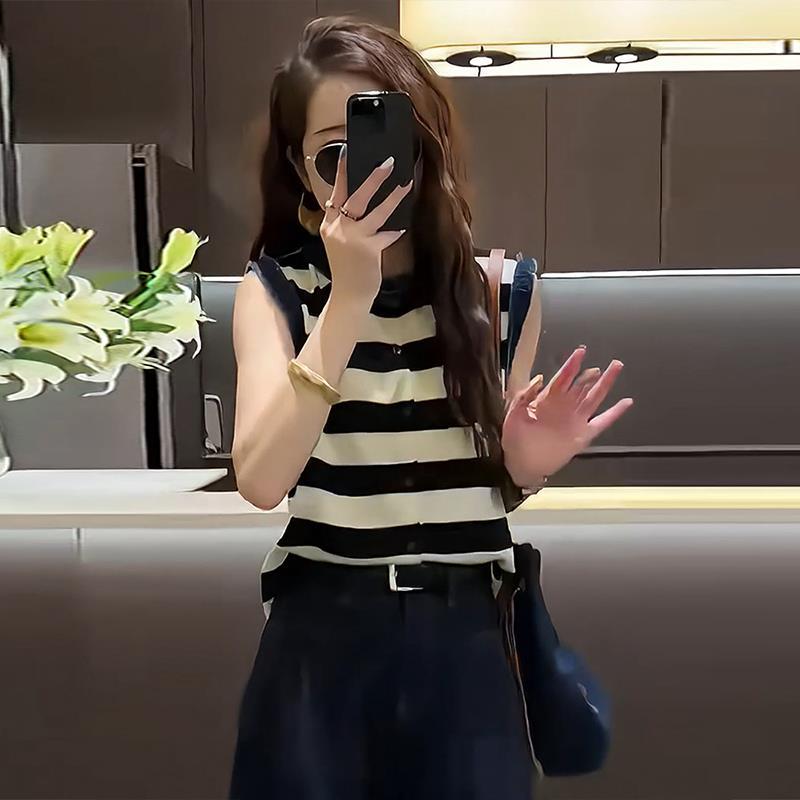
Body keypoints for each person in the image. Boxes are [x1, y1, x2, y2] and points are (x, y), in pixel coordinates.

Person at [229, 16, 633, 800]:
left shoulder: (501, 292)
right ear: (301, 170)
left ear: (426, 145)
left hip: (468, 640)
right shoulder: (276, 291)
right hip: (320, 634)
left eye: (385, 142)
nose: (362, 173)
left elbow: (484, 491)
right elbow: (262, 479)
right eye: (334, 153)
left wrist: (526, 467)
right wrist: (349, 300)